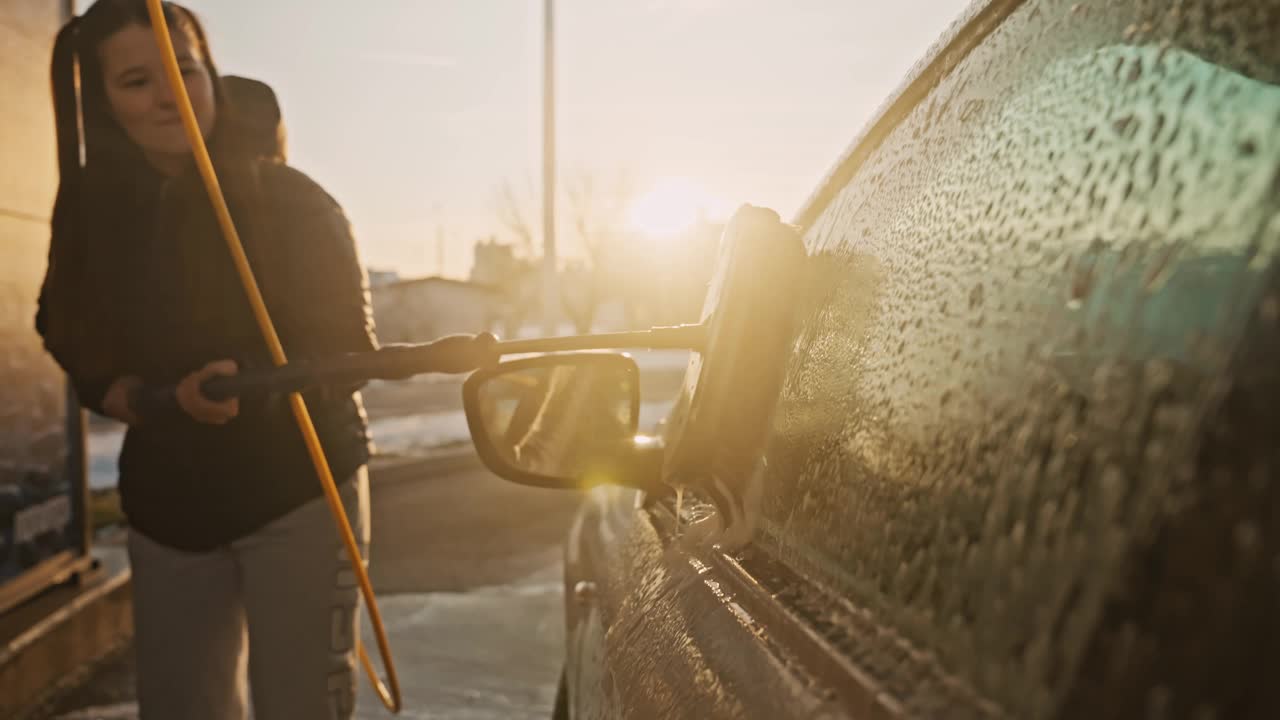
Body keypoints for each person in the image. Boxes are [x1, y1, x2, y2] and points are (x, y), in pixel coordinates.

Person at [36, 2, 376, 718]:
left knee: (300, 705)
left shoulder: (292, 200)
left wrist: (244, 387)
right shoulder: (91, 210)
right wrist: (118, 390)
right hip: (169, 505)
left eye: (185, 71)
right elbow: (63, 325)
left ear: (211, 73)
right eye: (135, 81)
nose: (170, 96)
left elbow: (349, 350)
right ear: (102, 103)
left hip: (298, 489)